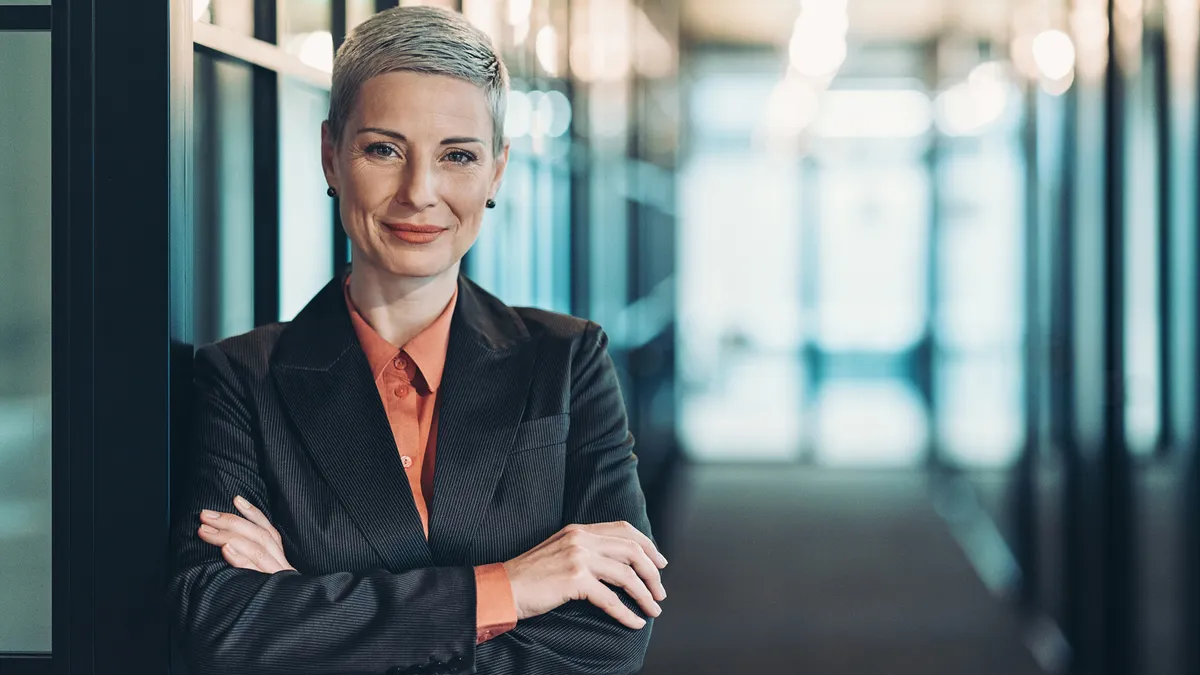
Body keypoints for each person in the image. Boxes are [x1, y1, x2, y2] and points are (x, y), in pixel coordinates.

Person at [166, 6, 665, 675]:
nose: (419, 192)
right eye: (383, 149)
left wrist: (305, 607)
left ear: (495, 173)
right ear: (330, 158)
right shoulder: (240, 378)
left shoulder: (569, 361)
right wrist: (509, 587)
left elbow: (610, 640)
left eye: (457, 155)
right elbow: (222, 626)